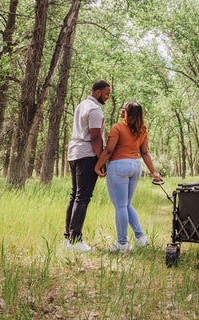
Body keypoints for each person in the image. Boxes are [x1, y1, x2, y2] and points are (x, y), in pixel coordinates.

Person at [94, 101, 162, 252]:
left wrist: (97, 166)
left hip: (119, 166)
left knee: (120, 206)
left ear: (130, 113)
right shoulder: (142, 130)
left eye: (124, 109)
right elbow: (144, 153)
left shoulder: (118, 128)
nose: (121, 111)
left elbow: (109, 151)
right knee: (126, 205)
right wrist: (153, 172)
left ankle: (122, 243)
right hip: (135, 166)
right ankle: (141, 238)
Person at [64, 79, 111, 252]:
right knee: (82, 197)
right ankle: (75, 240)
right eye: (106, 94)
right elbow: (96, 138)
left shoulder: (81, 105)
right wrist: (101, 161)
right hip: (86, 155)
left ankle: (68, 238)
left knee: (75, 195)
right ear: (98, 92)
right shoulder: (94, 109)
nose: (107, 97)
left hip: (74, 153)